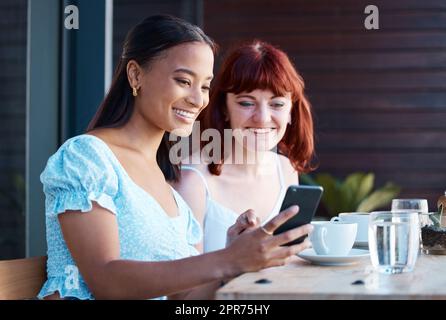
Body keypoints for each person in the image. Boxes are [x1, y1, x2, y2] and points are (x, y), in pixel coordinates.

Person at [37, 16, 312, 300]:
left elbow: (183, 301)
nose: (197, 99)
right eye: (183, 81)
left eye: (205, 86)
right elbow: (107, 282)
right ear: (135, 75)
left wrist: (233, 263)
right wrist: (228, 260)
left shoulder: (166, 182)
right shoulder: (86, 157)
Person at [174, 40, 316, 253]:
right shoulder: (192, 180)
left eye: (277, 104)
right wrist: (233, 259)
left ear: (291, 112)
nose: (262, 118)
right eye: (246, 103)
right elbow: (183, 282)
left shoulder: (286, 169)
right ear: (224, 108)